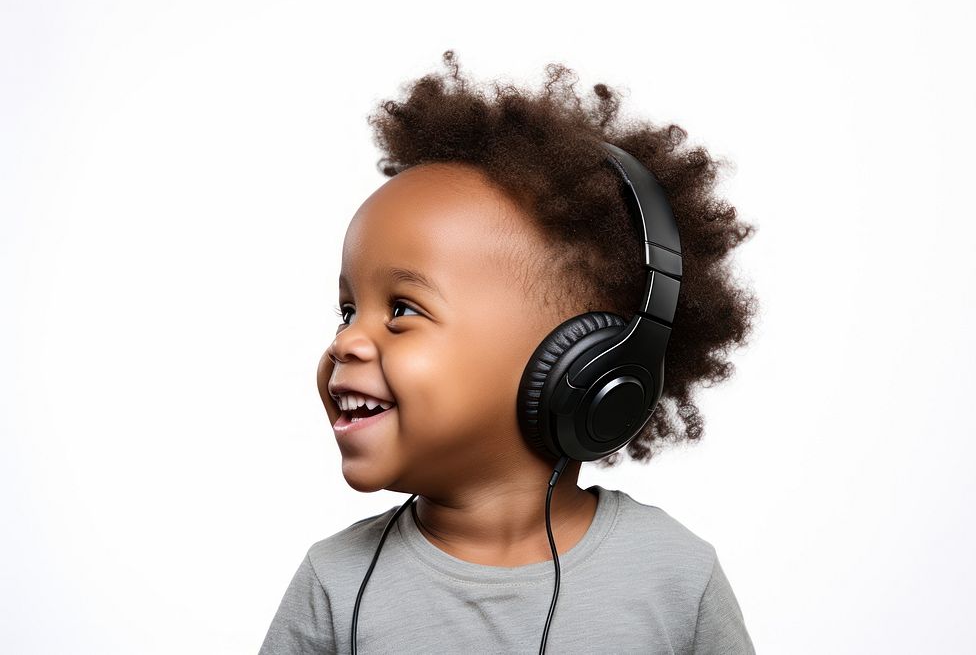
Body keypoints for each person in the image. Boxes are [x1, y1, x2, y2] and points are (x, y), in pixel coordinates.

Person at [259, 49, 758, 654]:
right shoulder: (335, 583)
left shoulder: (676, 576)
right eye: (347, 311)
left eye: (402, 310)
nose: (346, 341)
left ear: (586, 364)